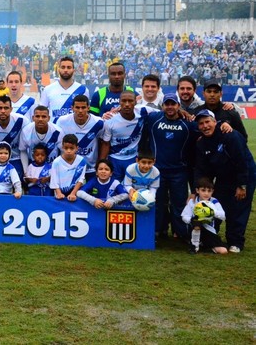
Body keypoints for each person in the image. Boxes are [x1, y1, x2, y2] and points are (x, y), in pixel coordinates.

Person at [194, 109, 256, 253]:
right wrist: (198, 189)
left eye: (207, 122)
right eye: (201, 123)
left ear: (215, 122)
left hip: (244, 175)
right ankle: (211, 239)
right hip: (224, 177)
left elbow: (242, 162)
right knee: (216, 204)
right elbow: (202, 169)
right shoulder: (202, 143)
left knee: (238, 209)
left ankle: (235, 242)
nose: (205, 126)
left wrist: (242, 185)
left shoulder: (230, 135)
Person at [139, 93, 195, 238]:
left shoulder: (188, 123)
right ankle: (157, 231)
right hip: (157, 172)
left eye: (173, 104)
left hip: (179, 172)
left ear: (178, 105)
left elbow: (206, 125)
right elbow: (133, 108)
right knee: (157, 203)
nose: (170, 107)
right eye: (167, 104)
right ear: (162, 106)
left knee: (178, 204)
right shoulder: (154, 118)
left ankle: (180, 233)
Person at [99, 90, 149, 182]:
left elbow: (165, 110)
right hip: (115, 159)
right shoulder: (110, 119)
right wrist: (101, 163)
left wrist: (180, 110)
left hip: (133, 159)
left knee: (132, 188)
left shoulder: (143, 111)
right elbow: (106, 143)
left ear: (135, 102)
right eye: (124, 101)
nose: (127, 104)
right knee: (114, 188)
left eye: (130, 101)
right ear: (119, 102)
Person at [55, 94, 105, 181]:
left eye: (83, 107)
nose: (80, 111)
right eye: (77, 107)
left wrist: (100, 163)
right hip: (69, 167)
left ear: (88, 108)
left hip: (91, 169)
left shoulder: (98, 122)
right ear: (72, 108)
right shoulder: (62, 121)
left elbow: (103, 143)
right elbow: (59, 145)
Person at [181, 177, 228, 255]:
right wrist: (193, 219)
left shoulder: (214, 201)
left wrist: (211, 212)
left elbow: (223, 216)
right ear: (197, 190)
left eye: (209, 191)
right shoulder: (193, 201)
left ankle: (204, 246)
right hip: (194, 230)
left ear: (212, 191)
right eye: (203, 190)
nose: (206, 193)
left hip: (209, 231)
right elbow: (184, 216)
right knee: (197, 222)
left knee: (223, 251)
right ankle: (194, 246)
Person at [40, 56, 89, 122]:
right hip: (55, 131)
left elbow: (86, 113)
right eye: (63, 67)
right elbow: (41, 112)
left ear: (73, 70)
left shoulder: (83, 90)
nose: (66, 70)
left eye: (69, 67)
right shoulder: (48, 89)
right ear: (58, 69)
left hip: (75, 130)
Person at [49, 134, 86, 201]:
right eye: (66, 148)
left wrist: (73, 193)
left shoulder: (82, 161)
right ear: (62, 147)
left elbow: (81, 179)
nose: (68, 151)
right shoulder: (56, 162)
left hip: (75, 193)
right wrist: (59, 193)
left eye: (71, 148)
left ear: (77, 148)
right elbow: (54, 180)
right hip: (60, 193)